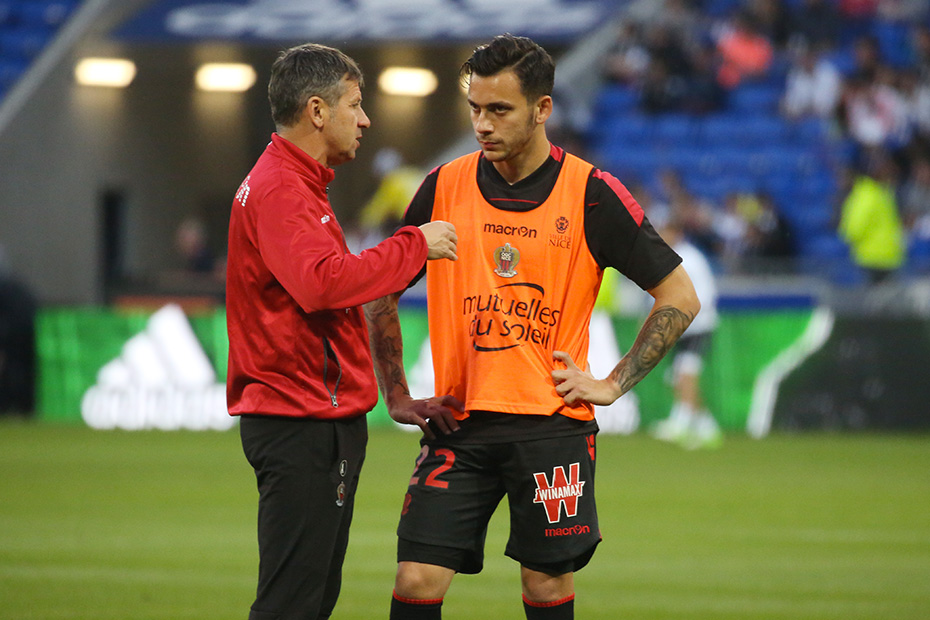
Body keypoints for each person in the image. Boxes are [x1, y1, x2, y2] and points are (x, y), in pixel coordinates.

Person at [364, 34, 701, 620]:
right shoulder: (443, 186)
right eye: (475, 108)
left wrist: (614, 383)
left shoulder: (592, 194)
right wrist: (394, 391)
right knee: (416, 577)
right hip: (458, 423)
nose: (482, 125)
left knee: (545, 585)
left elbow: (680, 295)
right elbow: (379, 287)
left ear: (542, 108)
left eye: (499, 110)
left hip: (552, 429)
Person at [225, 43, 458, 620]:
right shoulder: (282, 189)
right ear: (317, 110)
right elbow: (322, 285)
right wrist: (414, 245)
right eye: (355, 104)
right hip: (300, 419)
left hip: (308, 415)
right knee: (291, 605)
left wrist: (393, 395)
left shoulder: (295, 183)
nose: (366, 119)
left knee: (309, 600)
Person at [650, 217, 722, 450]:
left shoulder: (689, 259)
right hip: (682, 327)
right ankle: (707, 426)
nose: (662, 236)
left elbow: (703, 294)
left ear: (677, 233)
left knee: (685, 374)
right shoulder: (672, 257)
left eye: (665, 232)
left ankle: (680, 423)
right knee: (678, 376)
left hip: (697, 326)